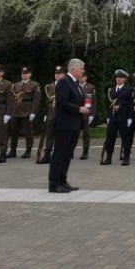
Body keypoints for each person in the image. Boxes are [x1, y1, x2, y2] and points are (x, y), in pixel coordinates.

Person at [48, 58, 89, 193]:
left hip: (74, 125)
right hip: (65, 125)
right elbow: (62, 102)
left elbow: (75, 99)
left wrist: (85, 104)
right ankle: (54, 183)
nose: (83, 70)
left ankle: (62, 180)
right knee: (59, 154)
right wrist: (78, 109)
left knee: (67, 154)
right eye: (81, 68)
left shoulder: (75, 83)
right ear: (73, 69)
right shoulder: (64, 82)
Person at [101, 70, 132, 166]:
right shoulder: (112, 90)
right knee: (110, 138)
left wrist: (130, 118)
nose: (118, 79)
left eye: (120, 77)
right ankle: (108, 157)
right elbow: (108, 104)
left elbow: (131, 105)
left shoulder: (128, 90)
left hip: (123, 118)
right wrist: (108, 116)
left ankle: (126, 157)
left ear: (125, 79)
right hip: (113, 117)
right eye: (117, 77)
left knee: (125, 139)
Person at [8, 66, 40, 159]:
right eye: (22, 73)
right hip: (16, 109)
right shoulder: (16, 85)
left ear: (30, 74)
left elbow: (36, 99)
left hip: (27, 109)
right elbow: (12, 98)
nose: (24, 75)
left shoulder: (34, 85)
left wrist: (33, 112)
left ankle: (28, 150)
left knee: (28, 131)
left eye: (26, 73)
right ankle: (13, 150)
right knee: (13, 131)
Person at [38, 66, 66, 164]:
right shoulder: (49, 86)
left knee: (61, 135)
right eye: (56, 73)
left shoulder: (68, 85)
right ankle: (47, 155)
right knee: (49, 134)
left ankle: (60, 155)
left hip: (62, 113)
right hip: (51, 113)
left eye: (59, 73)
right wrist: (46, 114)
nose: (57, 75)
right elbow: (47, 101)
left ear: (64, 75)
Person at [77, 72, 96, 160]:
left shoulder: (90, 87)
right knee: (74, 133)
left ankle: (85, 151)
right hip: (76, 112)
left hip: (86, 113)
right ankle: (71, 150)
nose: (80, 78)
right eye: (79, 77)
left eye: (82, 77)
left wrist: (91, 114)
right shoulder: (75, 86)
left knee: (86, 133)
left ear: (86, 78)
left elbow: (92, 102)